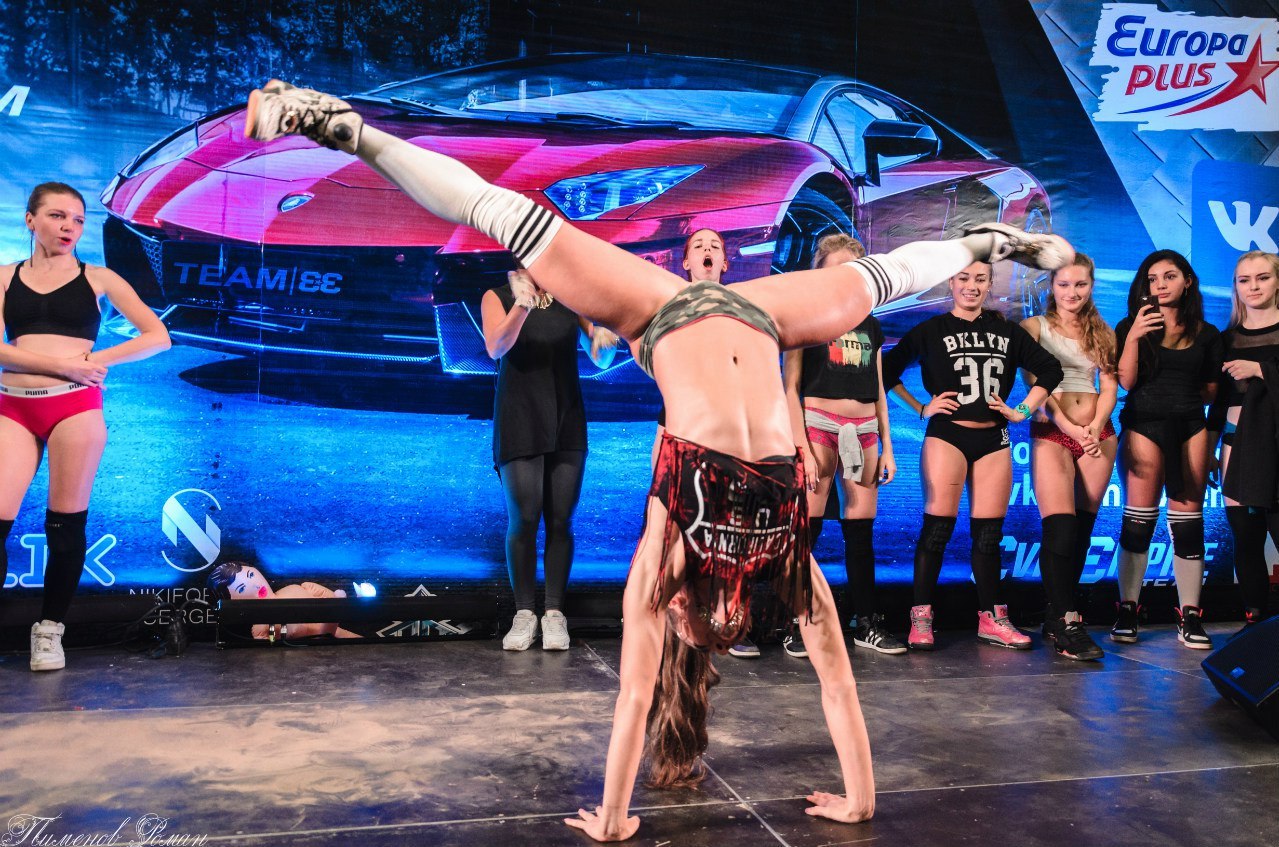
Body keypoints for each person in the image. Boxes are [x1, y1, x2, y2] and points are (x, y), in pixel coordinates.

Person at [243, 81, 1072, 841]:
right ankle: (344, 129)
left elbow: (826, 685)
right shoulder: (669, 560)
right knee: (507, 216)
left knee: (874, 278)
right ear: (682, 612)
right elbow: (641, 695)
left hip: (749, 317)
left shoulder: (780, 564)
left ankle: (980, 240)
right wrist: (611, 818)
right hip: (679, 316)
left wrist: (859, 797)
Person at [0, 182, 170, 671]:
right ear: (30, 220)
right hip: (13, 407)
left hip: (75, 409)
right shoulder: (5, 277)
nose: (68, 227)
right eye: (57, 216)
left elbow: (158, 335)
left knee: (65, 525)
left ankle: (49, 632)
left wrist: (95, 361)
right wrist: (63, 365)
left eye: (77, 219)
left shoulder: (99, 278)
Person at [883, 261, 1064, 651]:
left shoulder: (1007, 331)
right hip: (947, 436)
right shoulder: (931, 330)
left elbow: (1050, 369)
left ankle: (992, 619)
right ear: (951, 281)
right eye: (963, 278)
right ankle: (921, 616)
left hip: (994, 438)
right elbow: (885, 370)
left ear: (989, 284)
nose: (971, 285)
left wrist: (1023, 410)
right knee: (937, 530)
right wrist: (920, 408)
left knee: (989, 536)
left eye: (980, 279)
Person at [482, 264, 616, 651]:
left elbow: (600, 357)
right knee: (524, 519)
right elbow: (496, 347)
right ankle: (524, 613)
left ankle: (554, 613)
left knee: (561, 520)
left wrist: (604, 341)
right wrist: (522, 304)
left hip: (566, 417)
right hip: (520, 418)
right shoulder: (497, 296)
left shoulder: (569, 299)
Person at [783, 233, 904, 657]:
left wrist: (888, 446)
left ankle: (866, 623)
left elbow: (878, 388)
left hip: (864, 427)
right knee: (808, 529)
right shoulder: (803, 319)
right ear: (820, 273)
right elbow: (790, 387)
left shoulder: (871, 323)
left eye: (853, 270)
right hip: (817, 423)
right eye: (835, 270)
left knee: (860, 530)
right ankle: (797, 621)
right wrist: (800, 446)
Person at [1112, 249, 1222, 649]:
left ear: (1187, 281)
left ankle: (1190, 615)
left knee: (1189, 525)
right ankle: (1128, 609)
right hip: (1143, 423)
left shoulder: (1208, 334)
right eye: (1153, 278)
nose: (1160, 284)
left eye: (1169, 276)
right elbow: (1125, 382)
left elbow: (1211, 391)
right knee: (1138, 522)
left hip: (1190, 426)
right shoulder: (1131, 325)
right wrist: (1135, 336)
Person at [1019, 253, 1116, 661]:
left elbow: (1109, 387)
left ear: (1091, 285)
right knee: (1059, 528)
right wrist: (1069, 426)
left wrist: (1095, 427)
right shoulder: (1033, 328)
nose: (1072, 292)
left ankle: (1057, 616)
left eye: (1080, 284)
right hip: (1053, 430)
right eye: (1063, 284)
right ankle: (1068, 622)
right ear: (1051, 286)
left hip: (1098, 434)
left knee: (1081, 533)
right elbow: (1034, 384)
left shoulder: (1103, 331)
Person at [1208, 251, 1279, 630]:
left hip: (1276, 450)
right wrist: (1209, 449)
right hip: (1237, 450)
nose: (1253, 287)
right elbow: (1219, 404)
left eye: (1262, 277)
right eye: (1244, 280)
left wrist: (1262, 370)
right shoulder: (1226, 340)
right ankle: (1255, 625)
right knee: (1246, 541)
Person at [207, 561, 363, 639]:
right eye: (241, 589)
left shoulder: (298, 588)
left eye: (251, 575)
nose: (255, 585)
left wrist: (353, 602)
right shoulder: (261, 627)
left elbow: (337, 603)